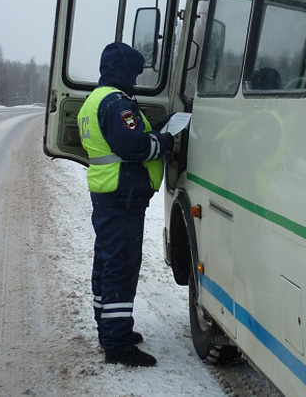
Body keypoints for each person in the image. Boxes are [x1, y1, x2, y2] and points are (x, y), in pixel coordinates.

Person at [77, 42, 174, 367]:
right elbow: (133, 146)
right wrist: (165, 141)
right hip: (122, 197)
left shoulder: (93, 100)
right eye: (134, 73)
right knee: (120, 266)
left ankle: (109, 329)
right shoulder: (117, 103)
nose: (135, 79)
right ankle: (118, 344)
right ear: (123, 71)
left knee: (106, 263)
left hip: (108, 194)